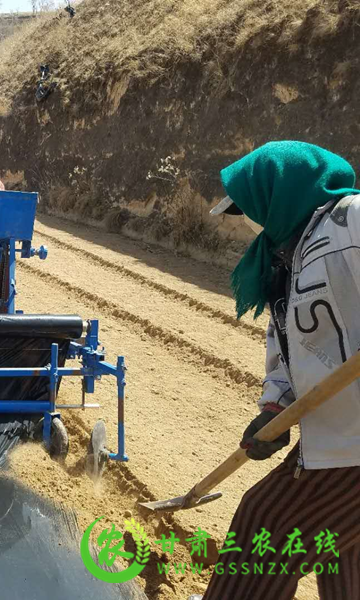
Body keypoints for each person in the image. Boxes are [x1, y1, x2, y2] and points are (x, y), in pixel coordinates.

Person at [190, 141, 360, 599]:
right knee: (341, 552)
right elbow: (285, 347)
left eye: (249, 208)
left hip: (354, 447)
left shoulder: (351, 219)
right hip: (337, 437)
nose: (247, 221)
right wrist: (274, 407)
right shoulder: (286, 259)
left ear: (277, 192)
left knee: (265, 520)